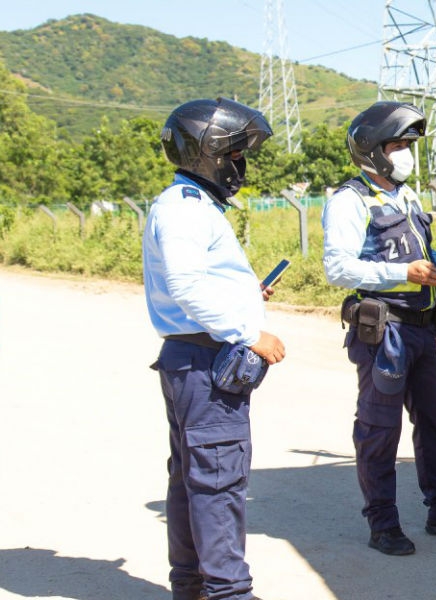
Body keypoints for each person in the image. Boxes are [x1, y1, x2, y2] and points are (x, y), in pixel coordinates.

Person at [322, 100, 436, 557]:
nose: (406, 153)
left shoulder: (408, 197)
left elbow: (427, 258)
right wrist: (402, 276)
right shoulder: (349, 200)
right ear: (373, 150)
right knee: (380, 429)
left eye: (408, 145)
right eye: (398, 144)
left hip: (421, 329)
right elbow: (337, 267)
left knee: (435, 421)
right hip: (385, 332)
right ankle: (383, 523)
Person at [143, 97, 285, 600]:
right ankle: (229, 592)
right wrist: (249, 333)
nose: (241, 165)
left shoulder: (189, 203)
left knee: (191, 481)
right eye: (235, 154)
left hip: (194, 357)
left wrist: (246, 295)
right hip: (206, 362)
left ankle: (194, 587)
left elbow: (199, 282)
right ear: (209, 153)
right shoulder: (184, 209)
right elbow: (185, 285)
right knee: (218, 483)